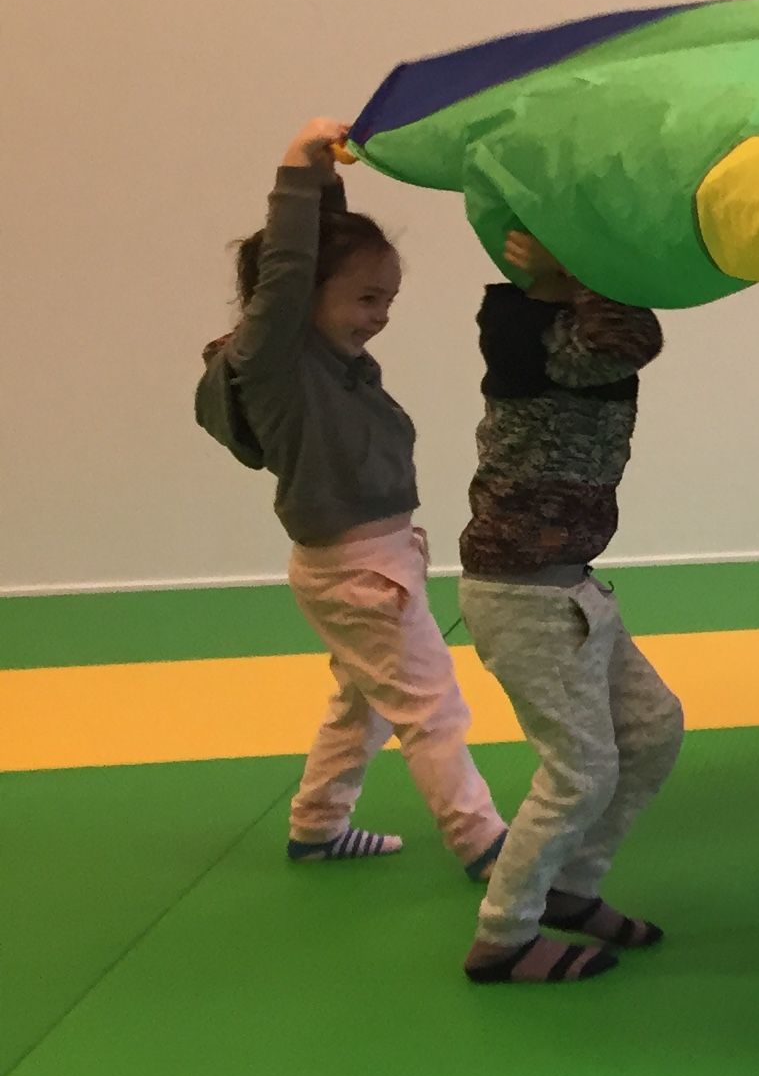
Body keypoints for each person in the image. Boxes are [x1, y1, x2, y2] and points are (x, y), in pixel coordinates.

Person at [196, 119, 507, 875]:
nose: (382, 315)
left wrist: (333, 183)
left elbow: (314, 252)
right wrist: (299, 165)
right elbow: (293, 263)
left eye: (389, 298)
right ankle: (487, 846)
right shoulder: (277, 367)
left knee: (364, 705)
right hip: (359, 571)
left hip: (375, 562)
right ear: (301, 294)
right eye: (367, 297)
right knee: (434, 709)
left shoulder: (335, 366)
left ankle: (317, 825)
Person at [456, 230, 681, 986]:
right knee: (579, 772)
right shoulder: (522, 329)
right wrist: (583, 258)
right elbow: (627, 338)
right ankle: (504, 935)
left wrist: (578, 263)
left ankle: (570, 888)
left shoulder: (571, 326)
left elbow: (623, 335)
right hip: (523, 593)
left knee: (651, 730)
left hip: (568, 585)